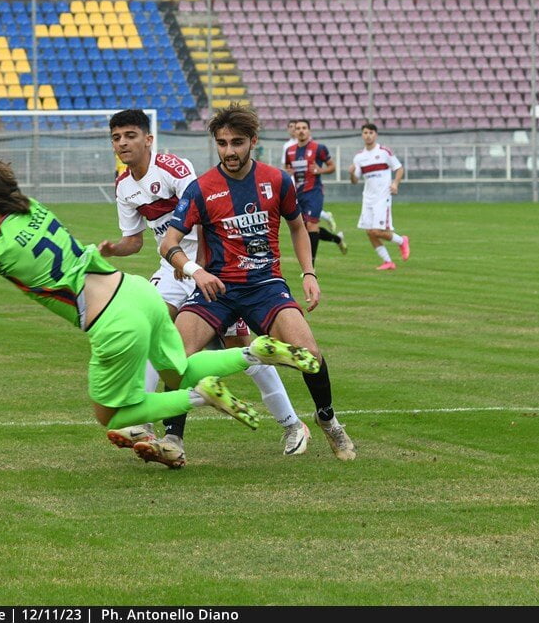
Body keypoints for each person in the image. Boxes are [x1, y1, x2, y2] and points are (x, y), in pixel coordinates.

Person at [0, 162, 322, 462]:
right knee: (176, 365)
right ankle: (254, 351)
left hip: (112, 322)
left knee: (112, 416)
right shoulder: (29, 209)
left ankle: (200, 399)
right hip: (136, 292)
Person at [98, 109, 309, 468]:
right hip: (174, 267)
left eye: (130, 136)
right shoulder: (124, 186)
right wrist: (113, 249)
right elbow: (133, 242)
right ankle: (147, 424)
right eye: (117, 138)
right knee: (154, 333)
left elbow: (206, 211)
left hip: (215, 267)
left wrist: (198, 269)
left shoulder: (173, 169)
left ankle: (293, 424)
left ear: (148, 139)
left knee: (239, 346)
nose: (123, 144)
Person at [161, 103, 356, 461]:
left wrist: (308, 273)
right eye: (221, 143)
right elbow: (168, 243)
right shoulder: (200, 189)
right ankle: (173, 439)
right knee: (177, 354)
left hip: (266, 286)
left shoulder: (277, 180)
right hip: (216, 288)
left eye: (236, 142)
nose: (229, 151)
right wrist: (195, 271)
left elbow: (297, 226)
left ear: (253, 141)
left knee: (309, 354)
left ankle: (327, 420)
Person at [283, 119, 346, 261]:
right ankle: (337, 239)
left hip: (314, 192)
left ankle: (310, 267)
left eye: (304, 128)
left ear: (309, 130)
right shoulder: (290, 150)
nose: (301, 130)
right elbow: (288, 169)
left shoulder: (319, 148)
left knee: (311, 225)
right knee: (306, 228)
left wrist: (320, 170)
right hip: (298, 193)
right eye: (298, 128)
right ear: (294, 131)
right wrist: (289, 172)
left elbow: (332, 167)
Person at [349, 122, 409, 270]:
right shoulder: (359, 157)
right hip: (368, 198)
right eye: (365, 133)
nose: (368, 135)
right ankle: (388, 262)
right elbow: (355, 181)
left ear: (375, 135)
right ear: (362, 135)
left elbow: (399, 168)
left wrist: (395, 183)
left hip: (382, 197)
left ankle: (402, 241)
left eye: (370, 133)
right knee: (370, 232)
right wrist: (351, 173)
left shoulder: (384, 152)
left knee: (377, 231)